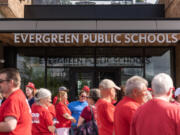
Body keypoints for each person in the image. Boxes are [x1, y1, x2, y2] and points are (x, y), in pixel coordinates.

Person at [0, 68, 32, 135]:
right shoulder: (19, 95)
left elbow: (9, 125)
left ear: (11, 83)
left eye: (1, 81)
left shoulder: (14, 99)